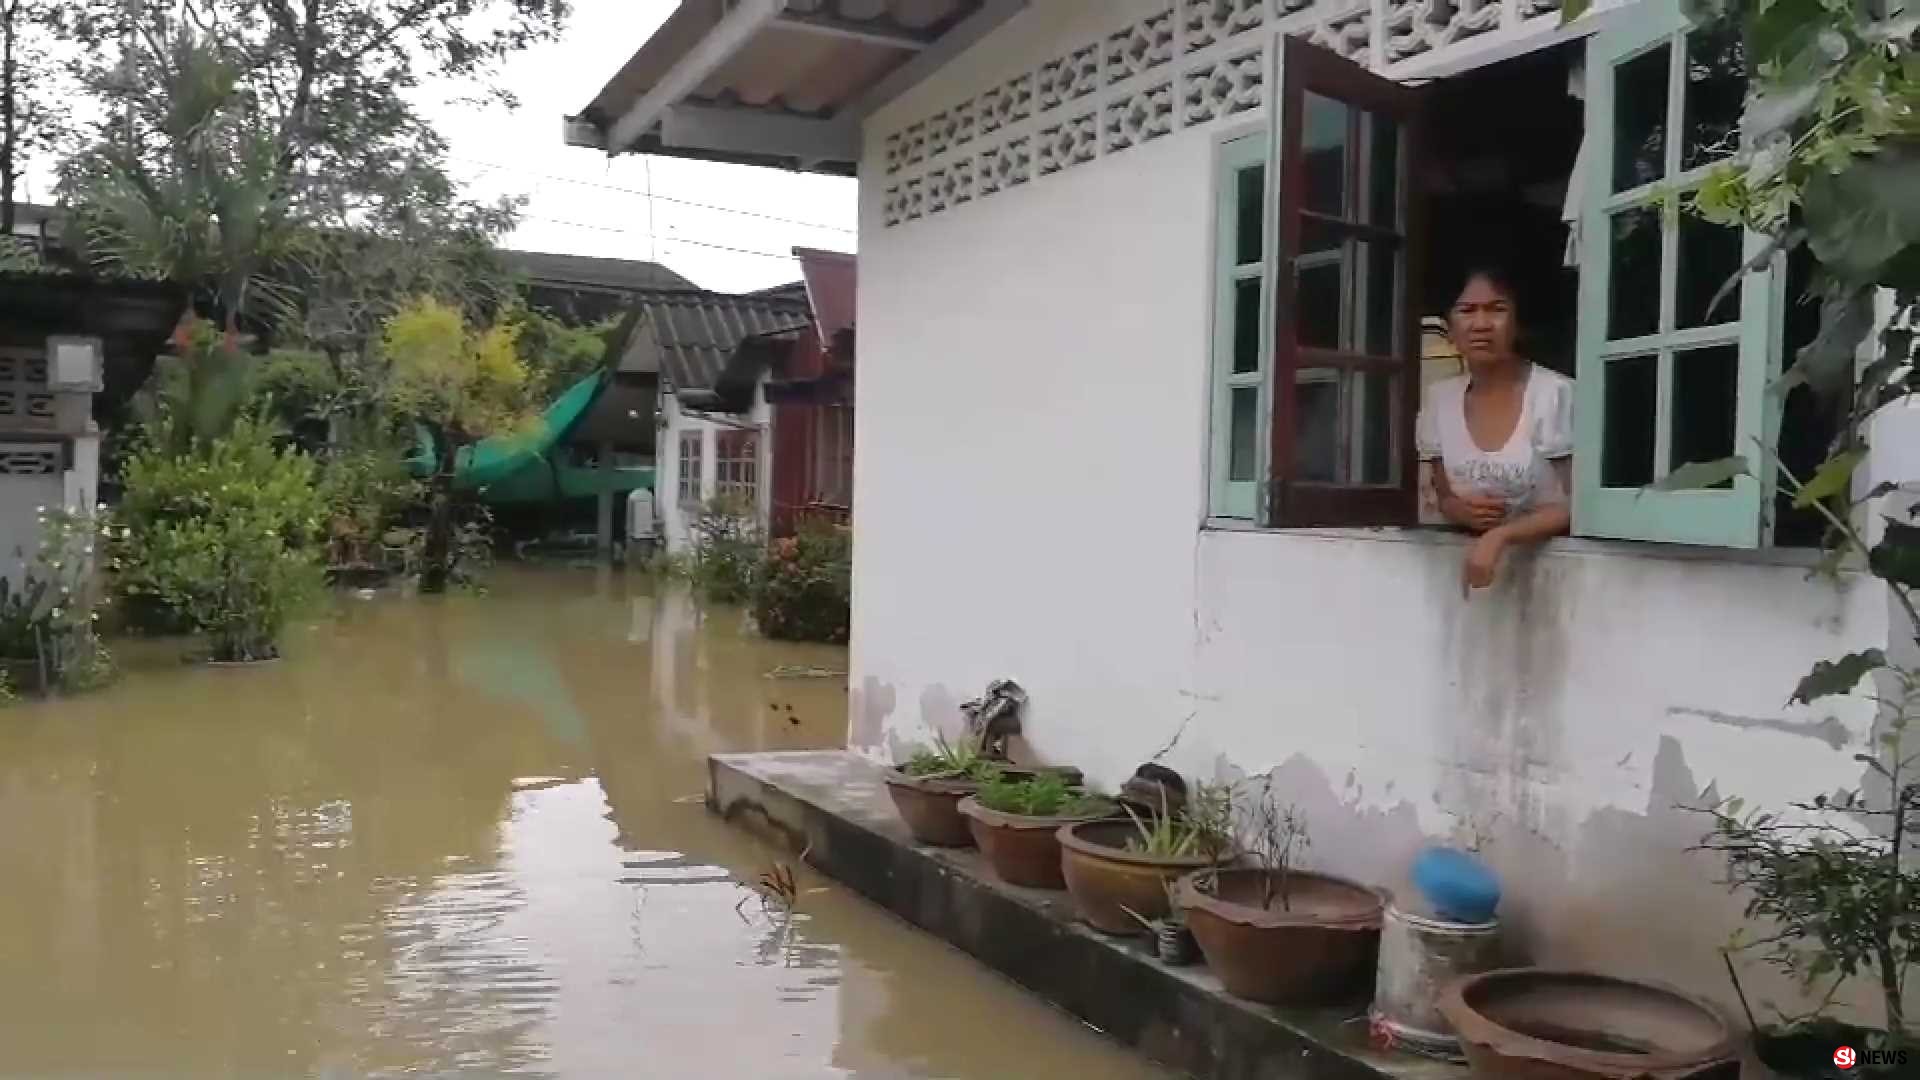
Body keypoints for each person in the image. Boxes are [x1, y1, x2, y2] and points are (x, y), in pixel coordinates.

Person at [1416, 267, 1574, 594]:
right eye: (1467, 311)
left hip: (1556, 588)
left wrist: (1500, 536)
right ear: (1449, 327)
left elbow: (1575, 506)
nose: (1481, 324)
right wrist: (1460, 510)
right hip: (1466, 591)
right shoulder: (1440, 399)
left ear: (1518, 323)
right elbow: (1445, 497)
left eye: (1497, 309)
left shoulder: (1554, 394)